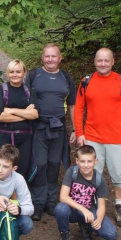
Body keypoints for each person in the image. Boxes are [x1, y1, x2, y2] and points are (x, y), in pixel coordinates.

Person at [74, 48, 121, 227]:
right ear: (94, 61)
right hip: (92, 137)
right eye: (99, 60)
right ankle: (92, 206)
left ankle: (120, 208)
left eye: (106, 61)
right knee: (91, 174)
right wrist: (79, 133)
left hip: (117, 138)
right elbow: (79, 109)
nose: (103, 64)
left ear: (113, 61)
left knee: (118, 175)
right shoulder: (86, 82)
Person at [24, 43, 76, 221]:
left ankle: (51, 202)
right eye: (47, 56)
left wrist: (75, 129)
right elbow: (24, 99)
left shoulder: (66, 77)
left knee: (54, 164)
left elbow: (72, 105)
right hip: (38, 126)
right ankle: (37, 203)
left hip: (58, 128)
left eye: (54, 56)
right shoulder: (33, 75)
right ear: (42, 58)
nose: (50, 59)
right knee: (39, 164)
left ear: (60, 58)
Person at [55, 145, 118, 240]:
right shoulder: (72, 172)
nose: (86, 165)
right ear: (77, 161)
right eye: (82, 161)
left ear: (95, 161)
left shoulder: (98, 179)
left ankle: (85, 226)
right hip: (72, 210)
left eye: (89, 161)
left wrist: (99, 219)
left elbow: (101, 205)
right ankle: (65, 234)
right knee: (60, 208)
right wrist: (83, 210)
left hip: (90, 212)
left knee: (111, 234)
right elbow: (63, 197)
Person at [0, 59, 38, 179]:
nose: (15, 75)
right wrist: (25, 114)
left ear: (24, 72)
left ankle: (18, 197)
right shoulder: (1, 90)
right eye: (12, 72)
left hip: (24, 138)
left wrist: (11, 111)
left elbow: (34, 115)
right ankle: (3, 197)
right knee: (4, 172)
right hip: (5, 137)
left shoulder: (29, 92)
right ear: (8, 73)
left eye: (18, 71)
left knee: (21, 172)